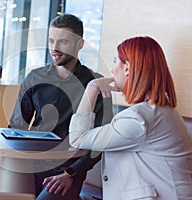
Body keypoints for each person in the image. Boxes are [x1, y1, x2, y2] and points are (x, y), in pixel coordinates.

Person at [69, 36, 192, 199]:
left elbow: (77, 138)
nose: (112, 70)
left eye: (115, 62)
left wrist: (92, 87)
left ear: (127, 67)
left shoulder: (138, 119)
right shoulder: (162, 110)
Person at [9, 14, 108, 200]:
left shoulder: (95, 84)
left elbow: (99, 144)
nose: (54, 48)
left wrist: (71, 173)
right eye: (51, 40)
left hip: (67, 172)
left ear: (79, 44)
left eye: (62, 42)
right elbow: (17, 127)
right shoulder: (34, 78)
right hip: (31, 167)